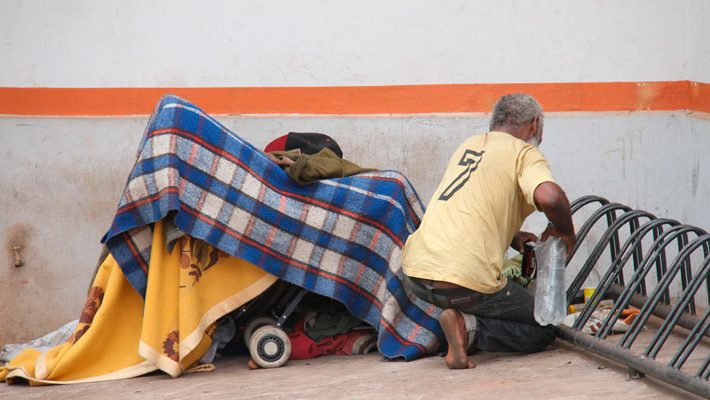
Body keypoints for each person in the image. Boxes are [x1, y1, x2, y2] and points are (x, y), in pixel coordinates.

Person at [401, 93, 576, 369]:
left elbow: (467, 207)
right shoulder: (524, 153)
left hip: (415, 274)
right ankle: (468, 327)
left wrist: (512, 235)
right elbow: (550, 197)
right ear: (534, 124)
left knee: (492, 293)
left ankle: (457, 323)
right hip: (463, 283)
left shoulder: (468, 146)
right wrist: (565, 231)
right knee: (545, 324)